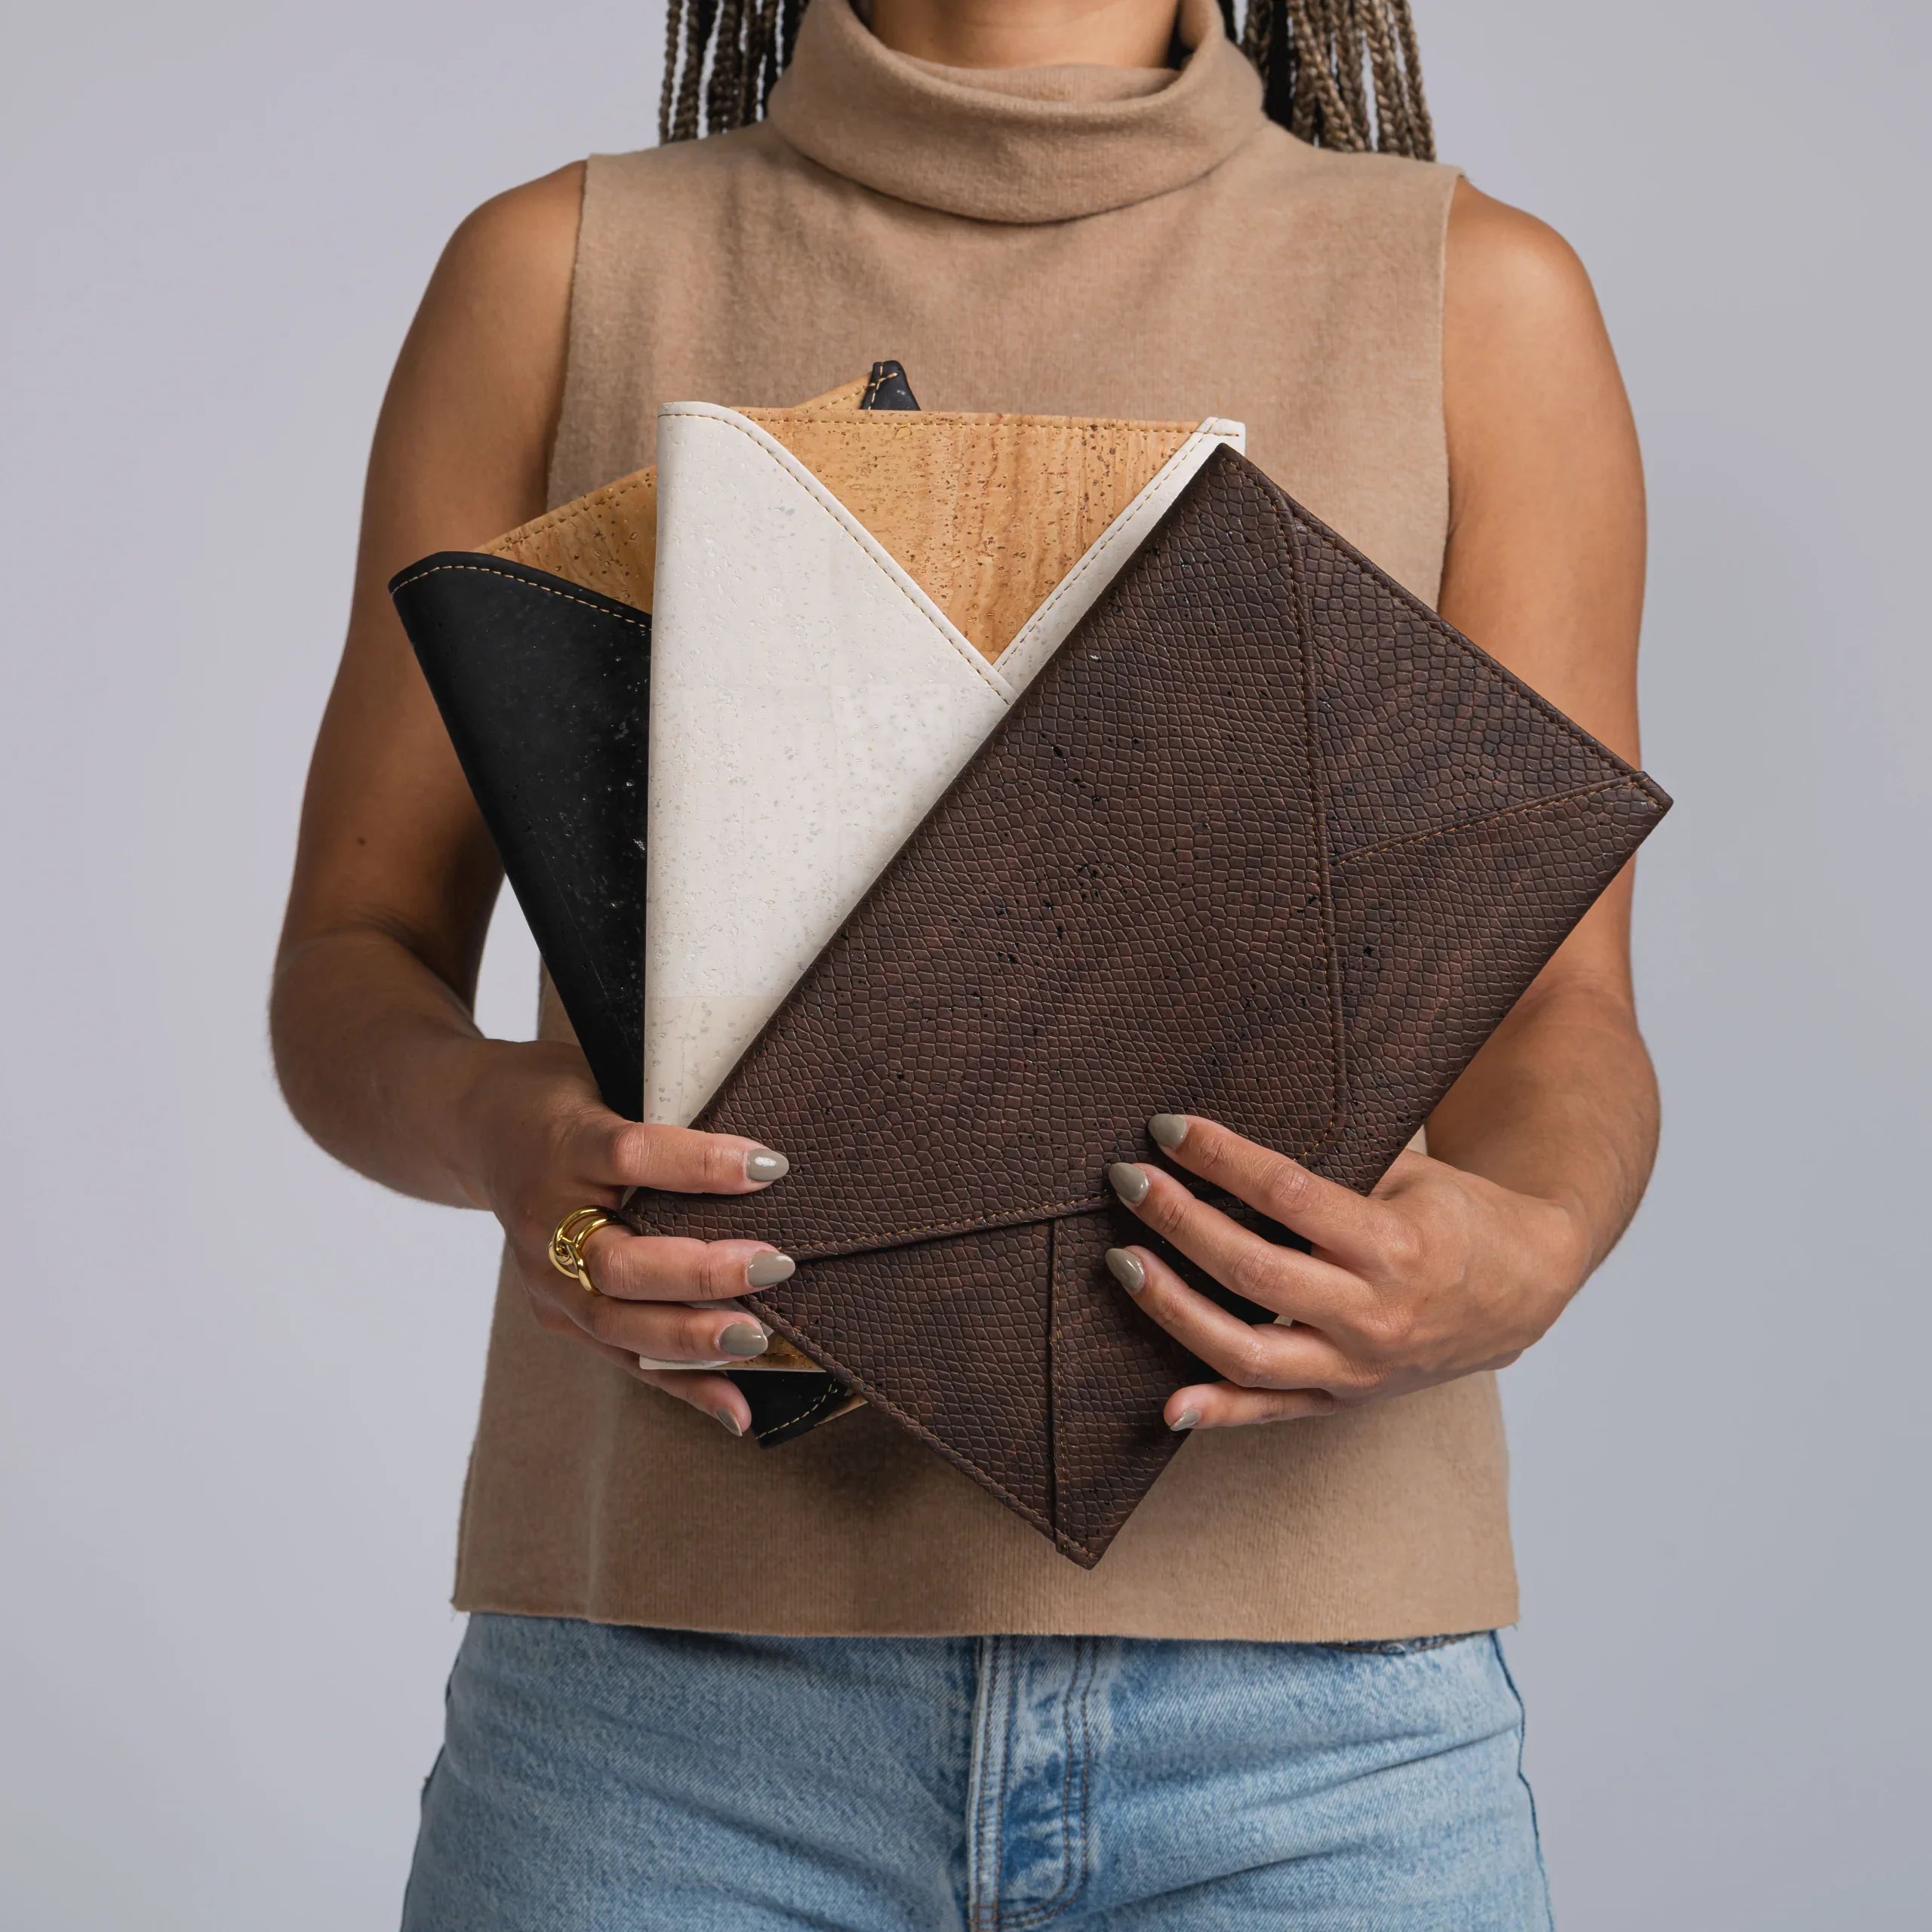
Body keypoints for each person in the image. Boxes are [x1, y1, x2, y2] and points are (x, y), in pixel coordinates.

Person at [272, 2, 1651, 1923]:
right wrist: (512, 1134)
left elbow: (1564, 1010)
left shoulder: (1473, 299)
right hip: (661, 1716)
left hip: (1313, 1736)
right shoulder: (563, 272)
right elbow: (352, 960)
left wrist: (1521, 1249)